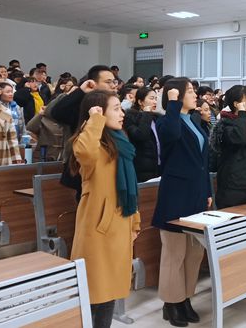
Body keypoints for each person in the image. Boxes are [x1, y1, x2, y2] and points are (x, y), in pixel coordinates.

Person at [69, 90, 140, 327]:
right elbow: (85, 152)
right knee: (92, 292)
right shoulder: (88, 142)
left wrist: (135, 222)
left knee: (110, 293)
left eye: (121, 108)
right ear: (98, 112)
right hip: (98, 232)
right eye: (116, 109)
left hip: (120, 226)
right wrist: (94, 119)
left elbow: (130, 190)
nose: (122, 114)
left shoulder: (121, 144)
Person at [153, 77, 211, 327]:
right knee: (174, 253)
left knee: (194, 252)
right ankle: (171, 303)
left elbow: (203, 162)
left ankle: (185, 298)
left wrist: (207, 190)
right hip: (175, 195)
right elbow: (172, 134)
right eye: (189, 91)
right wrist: (173, 103)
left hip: (196, 193)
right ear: (174, 95)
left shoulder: (195, 122)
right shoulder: (166, 121)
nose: (195, 94)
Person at [51, 65, 118, 199]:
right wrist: (80, 91)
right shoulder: (83, 105)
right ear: (93, 83)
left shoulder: (114, 104)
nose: (113, 85)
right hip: (86, 168)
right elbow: (57, 113)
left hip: (109, 164)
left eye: (114, 81)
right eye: (108, 82)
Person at [211, 85, 246, 208]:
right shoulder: (226, 125)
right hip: (236, 191)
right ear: (237, 104)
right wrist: (242, 113)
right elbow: (239, 138)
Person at [123, 87, 161, 182]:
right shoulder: (130, 117)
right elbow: (141, 135)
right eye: (151, 98)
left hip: (158, 165)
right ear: (140, 102)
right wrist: (146, 114)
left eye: (156, 99)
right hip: (142, 167)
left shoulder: (156, 117)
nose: (155, 102)